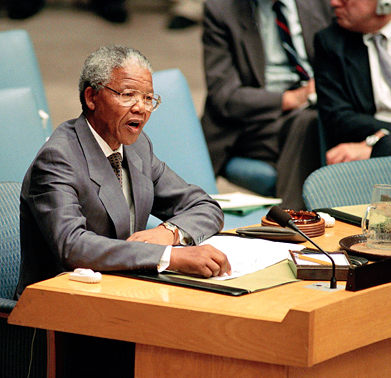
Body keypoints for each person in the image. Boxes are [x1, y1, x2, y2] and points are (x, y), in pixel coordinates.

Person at [16, 44, 230, 378]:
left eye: (149, 99)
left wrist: (168, 233)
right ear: (92, 97)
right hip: (68, 315)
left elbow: (203, 206)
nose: (141, 109)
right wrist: (168, 257)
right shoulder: (59, 158)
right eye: (128, 94)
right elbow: (72, 246)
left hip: (126, 297)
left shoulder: (138, 147)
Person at [200, 0, 333, 210]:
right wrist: (293, 98)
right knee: (311, 126)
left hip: (323, 104)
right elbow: (224, 96)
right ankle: (293, 221)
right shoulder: (222, 9)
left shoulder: (320, 4)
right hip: (255, 120)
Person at [314, 0, 391, 164]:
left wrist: (379, 141)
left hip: (383, 144)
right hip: (369, 144)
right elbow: (336, 115)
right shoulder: (330, 42)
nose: (334, 3)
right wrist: (381, 140)